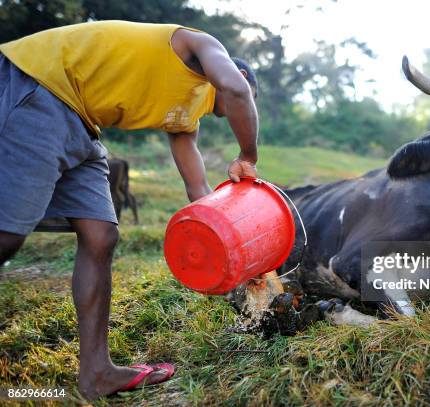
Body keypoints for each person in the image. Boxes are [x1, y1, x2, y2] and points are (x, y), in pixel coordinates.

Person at [0, 20, 258, 400]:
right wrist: (248, 155)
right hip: (42, 85)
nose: (247, 105)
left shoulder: (187, 115)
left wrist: (231, 245)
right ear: (235, 74)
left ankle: (97, 373)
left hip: (84, 125)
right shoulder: (196, 43)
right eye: (252, 97)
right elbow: (236, 91)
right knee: (6, 235)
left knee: (101, 235)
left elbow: (198, 191)